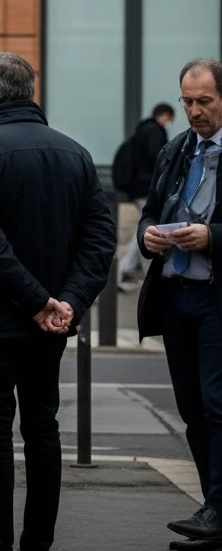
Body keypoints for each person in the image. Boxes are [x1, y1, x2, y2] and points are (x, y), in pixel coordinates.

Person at [0, 52, 115, 551]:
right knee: (44, 427)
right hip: (52, 324)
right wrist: (65, 302)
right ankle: (37, 542)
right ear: (31, 92)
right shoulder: (76, 153)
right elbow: (100, 237)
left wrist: (35, 299)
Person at [138, 59, 222, 544]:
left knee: (218, 406)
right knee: (191, 409)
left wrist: (211, 236)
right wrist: (148, 234)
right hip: (175, 298)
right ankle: (213, 505)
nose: (193, 111)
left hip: (214, 299)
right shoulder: (174, 151)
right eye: (188, 101)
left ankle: (217, 508)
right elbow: (151, 211)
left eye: (204, 101)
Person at [116, 103, 176, 286]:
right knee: (151, 228)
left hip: (137, 187)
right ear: (164, 115)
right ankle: (130, 269)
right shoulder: (155, 132)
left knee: (144, 229)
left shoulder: (142, 130)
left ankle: (126, 268)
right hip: (147, 187)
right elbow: (159, 159)